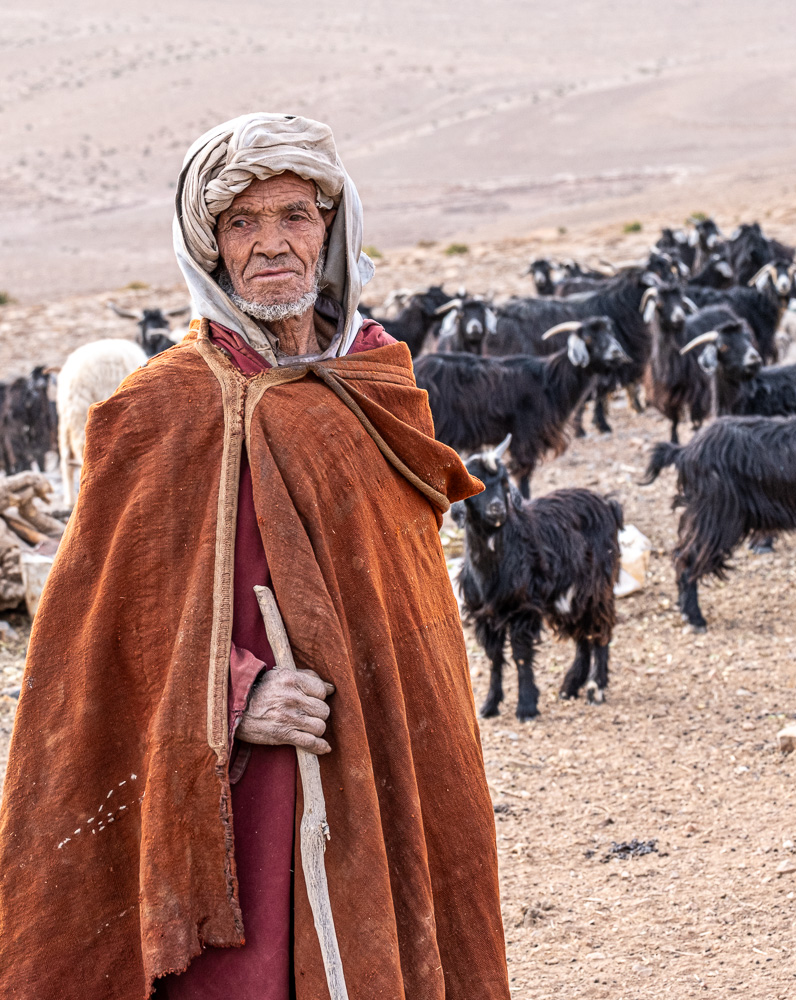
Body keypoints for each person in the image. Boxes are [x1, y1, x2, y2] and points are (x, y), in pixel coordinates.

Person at [0, 113, 510, 1000]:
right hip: (244, 788)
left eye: (293, 216)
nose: (270, 245)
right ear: (209, 246)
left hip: (386, 750)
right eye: (240, 223)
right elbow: (99, 632)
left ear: (331, 227)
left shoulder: (379, 380)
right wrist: (235, 694)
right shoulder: (160, 410)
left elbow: (408, 596)